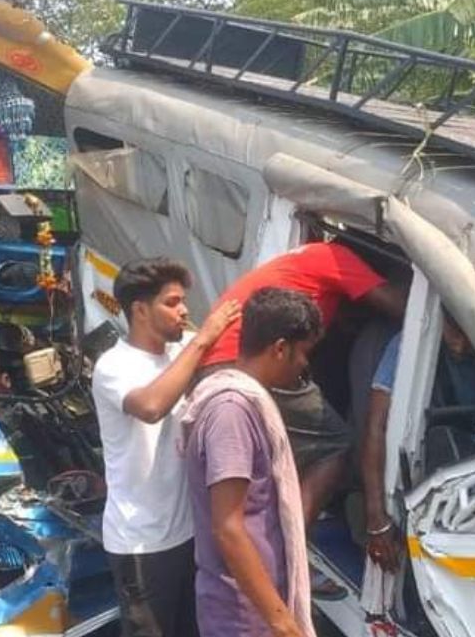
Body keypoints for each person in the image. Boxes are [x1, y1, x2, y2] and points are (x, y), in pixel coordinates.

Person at [199, 242, 405, 527]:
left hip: (217, 358)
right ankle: (293, 538)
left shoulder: (306, 256)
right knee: (334, 444)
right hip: (244, 363)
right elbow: (401, 306)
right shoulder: (338, 258)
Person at [91, 257, 241, 637]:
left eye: (183, 301)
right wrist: (204, 338)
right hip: (142, 542)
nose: (185, 311)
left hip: (189, 533)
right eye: (172, 302)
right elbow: (151, 407)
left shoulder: (183, 348)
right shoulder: (114, 366)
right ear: (140, 310)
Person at [182, 288, 324, 637]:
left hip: (252, 608)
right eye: (303, 353)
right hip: (243, 616)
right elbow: (228, 528)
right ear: (279, 348)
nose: (305, 365)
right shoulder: (232, 413)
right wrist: (281, 621)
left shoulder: (242, 403)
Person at [359, 315, 475, 572]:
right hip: (426, 481)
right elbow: (376, 427)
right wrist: (376, 517)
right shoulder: (411, 344)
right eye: (454, 329)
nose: (461, 341)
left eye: (469, 330)